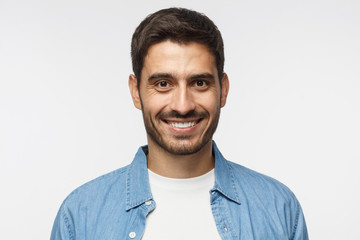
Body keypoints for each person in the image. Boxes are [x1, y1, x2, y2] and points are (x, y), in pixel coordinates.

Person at [51, 7, 308, 240]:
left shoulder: (279, 207)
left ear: (224, 90)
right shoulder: (80, 215)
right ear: (135, 91)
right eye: (163, 84)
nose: (182, 106)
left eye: (199, 83)